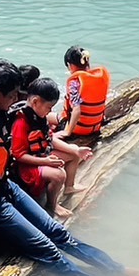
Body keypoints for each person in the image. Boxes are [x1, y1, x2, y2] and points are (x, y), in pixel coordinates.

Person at [0, 60, 139, 276]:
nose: (16, 99)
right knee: (45, 248)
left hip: (5, 187)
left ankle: (116, 270)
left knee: (58, 232)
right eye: (13, 95)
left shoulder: (2, 112)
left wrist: (72, 148)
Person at [11, 77, 89, 217]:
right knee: (59, 175)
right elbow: (18, 155)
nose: (50, 111)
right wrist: (45, 162)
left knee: (73, 154)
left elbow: (50, 138)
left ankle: (69, 187)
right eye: (49, 107)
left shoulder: (39, 116)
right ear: (35, 102)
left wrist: (76, 150)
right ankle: (52, 205)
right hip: (27, 166)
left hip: (41, 155)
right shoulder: (21, 122)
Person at [56, 46, 111, 140]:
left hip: (80, 129)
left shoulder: (74, 82)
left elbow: (76, 110)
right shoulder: (99, 76)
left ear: (70, 65)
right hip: (96, 126)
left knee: (50, 116)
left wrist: (67, 132)